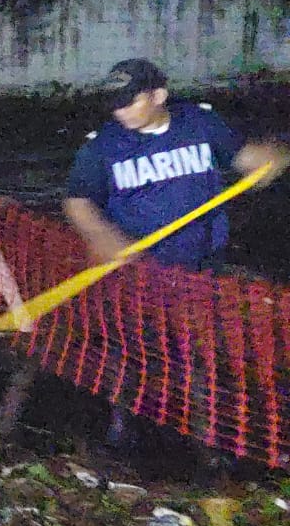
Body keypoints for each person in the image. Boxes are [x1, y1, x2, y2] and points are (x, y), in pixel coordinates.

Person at [64, 57, 289, 445]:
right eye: (114, 103)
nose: (119, 111)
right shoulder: (103, 146)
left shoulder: (201, 123)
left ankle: (208, 437)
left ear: (158, 96)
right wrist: (102, 236)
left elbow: (249, 160)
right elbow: (77, 201)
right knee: (131, 352)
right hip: (140, 275)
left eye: (129, 101)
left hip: (203, 269)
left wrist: (271, 158)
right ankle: (122, 429)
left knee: (200, 353)